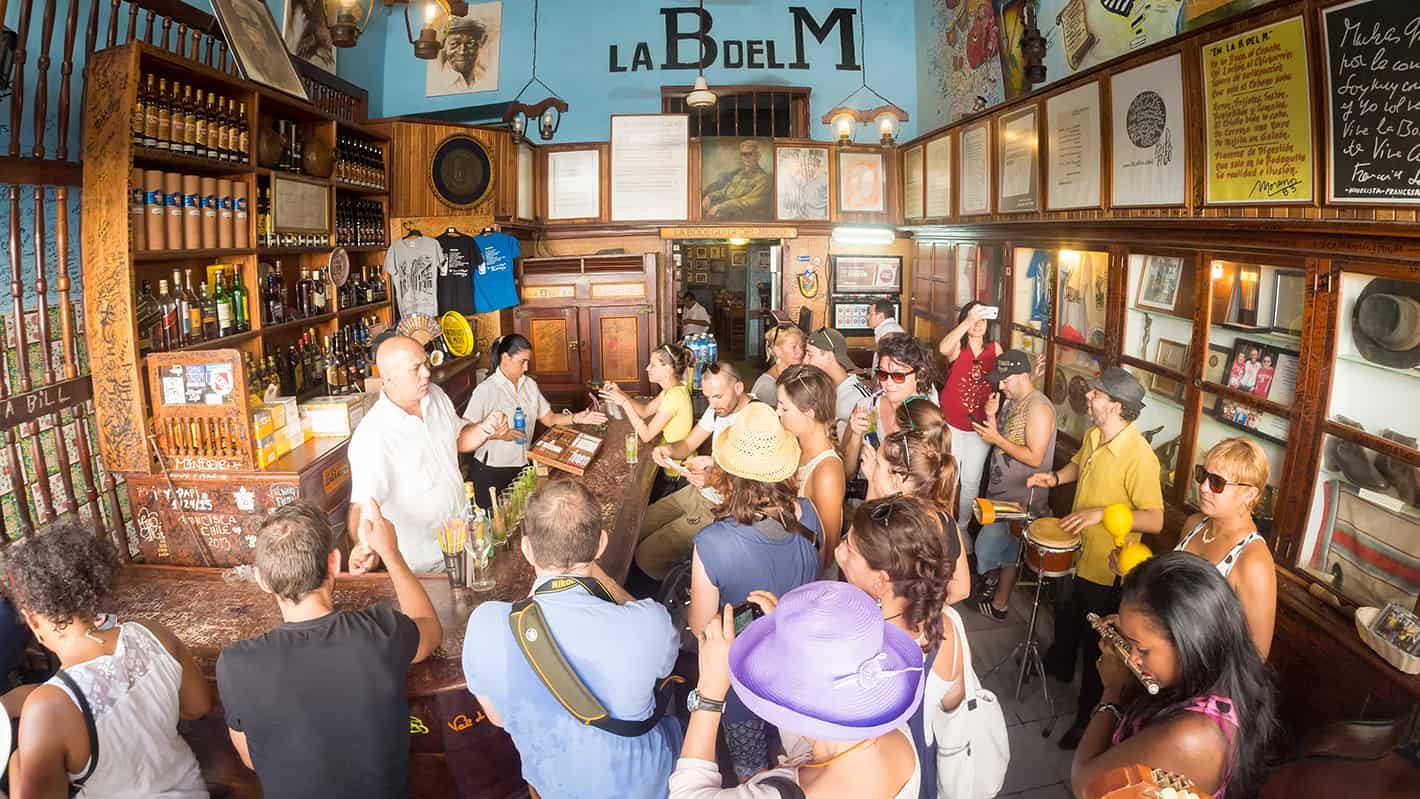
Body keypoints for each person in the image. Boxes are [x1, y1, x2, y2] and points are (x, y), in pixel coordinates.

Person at [464, 480, 682, 799]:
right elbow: (665, 666)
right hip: (647, 787)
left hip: (554, 786)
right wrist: (605, 579)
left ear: (527, 548)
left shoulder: (484, 624)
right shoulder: (650, 622)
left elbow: (498, 718)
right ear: (601, 544)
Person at [216, 502, 442, 799]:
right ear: (334, 562)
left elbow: (254, 759)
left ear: (262, 580)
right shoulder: (378, 633)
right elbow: (429, 627)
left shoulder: (235, 664)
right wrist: (391, 553)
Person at [5, 521, 210, 798]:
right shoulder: (151, 633)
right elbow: (198, 706)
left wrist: (17, 765)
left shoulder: (47, 710)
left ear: (31, 618)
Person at [670, 582, 923, 799]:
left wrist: (709, 693)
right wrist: (795, 643)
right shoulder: (891, 728)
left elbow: (686, 794)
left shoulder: (791, 792)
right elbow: (816, 726)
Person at [1027, 367, 1164, 749]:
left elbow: (1155, 519)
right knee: (1066, 614)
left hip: (1107, 570)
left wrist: (1102, 513)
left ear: (1116, 406)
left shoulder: (1140, 457)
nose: (1088, 396)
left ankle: (1087, 719)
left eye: (1096, 394)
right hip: (1076, 551)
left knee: (1096, 650)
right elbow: (1078, 464)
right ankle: (1057, 665)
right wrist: (1055, 479)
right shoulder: (1093, 435)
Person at [1071, 552, 1281, 799]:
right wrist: (1134, 636)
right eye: (1128, 642)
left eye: (1142, 649)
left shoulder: (1192, 736)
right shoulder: (1212, 674)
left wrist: (1112, 691)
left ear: (1190, 643)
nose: (1132, 658)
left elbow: (1085, 785)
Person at [688, 403, 823, 780]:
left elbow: (701, 628)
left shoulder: (712, 542)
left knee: (751, 769)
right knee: (803, 757)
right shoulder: (809, 514)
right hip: (798, 670)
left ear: (728, 473)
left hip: (742, 683)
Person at [836, 495, 966, 799]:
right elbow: (952, 705)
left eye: (849, 549)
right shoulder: (947, 627)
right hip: (922, 774)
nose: (839, 551)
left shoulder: (854, 643)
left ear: (881, 580)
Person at [348, 335, 509, 573]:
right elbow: (364, 505)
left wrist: (486, 428)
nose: (426, 373)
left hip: (463, 542)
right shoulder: (373, 435)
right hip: (424, 565)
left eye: (425, 363)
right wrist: (363, 545)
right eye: (415, 368)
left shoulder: (436, 396)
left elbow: (457, 439)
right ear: (388, 376)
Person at [463, 334, 607, 511]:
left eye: (528, 362)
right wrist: (499, 435)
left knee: (522, 516)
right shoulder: (486, 390)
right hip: (491, 472)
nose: (526, 367)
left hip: (523, 467)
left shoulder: (529, 385)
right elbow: (465, 431)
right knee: (494, 521)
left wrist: (576, 417)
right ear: (506, 358)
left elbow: (549, 418)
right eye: (522, 362)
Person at [639, 362, 754, 580]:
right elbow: (688, 444)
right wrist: (668, 449)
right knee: (638, 527)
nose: (712, 404)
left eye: (717, 396)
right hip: (698, 491)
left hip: (722, 506)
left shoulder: (755, 418)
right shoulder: (718, 409)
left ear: (738, 388)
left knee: (646, 557)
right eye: (708, 397)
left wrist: (715, 477)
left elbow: (754, 480)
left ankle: (690, 582)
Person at [973, 350, 1057, 622]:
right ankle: (1000, 605)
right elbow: (1000, 438)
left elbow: (1035, 457)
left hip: (1020, 500)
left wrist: (996, 438)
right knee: (1009, 554)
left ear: (1023, 376)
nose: (1000, 386)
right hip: (1001, 493)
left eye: (1005, 380)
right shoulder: (1013, 399)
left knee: (986, 549)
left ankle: (989, 583)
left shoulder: (1039, 408)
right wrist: (992, 416)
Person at [1173, 438, 1277, 657]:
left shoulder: (1253, 560)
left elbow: (1257, 655)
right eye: (1202, 475)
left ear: (1249, 494)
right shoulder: (1194, 524)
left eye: (1217, 483)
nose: (1203, 487)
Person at [865, 397, 971, 606]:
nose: (890, 430)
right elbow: (961, 590)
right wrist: (923, 610)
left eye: (896, 429)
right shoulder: (944, 518)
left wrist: (873, 484)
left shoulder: (888, 525)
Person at [937, 301, 1003, 528]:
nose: (977, 324)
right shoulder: (958, 346)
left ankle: (963, 526)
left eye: (982, 319)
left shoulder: (994, 348)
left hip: (980, 427)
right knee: (950, 477)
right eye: (974, 319)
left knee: (971, 480)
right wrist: (969, 320)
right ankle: (946, 523)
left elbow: (1007, 378)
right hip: (952, 423)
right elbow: (943, 348)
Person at [776, 364, 847, 573]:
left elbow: (829, 547)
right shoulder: (794, 445)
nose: (777, 413)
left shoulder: (827, 472)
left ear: (809, 413)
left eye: (784, 408)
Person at [845, 333, 939, 482]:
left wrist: (878, 475)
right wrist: (856, 436)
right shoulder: (866, 407)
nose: (888, 383)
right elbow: (847, 473)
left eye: (898, 376)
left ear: (920, 374)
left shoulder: (926, 417)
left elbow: (929, 481)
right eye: (882, 374)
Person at [601, 343, 695, 446]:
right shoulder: (672, 390)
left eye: (653, 365)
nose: (647, 368)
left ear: (668, 370)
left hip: (675, 454)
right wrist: (620, 393)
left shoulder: (674, 396)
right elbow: (644, 411)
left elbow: (646, 436)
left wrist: (624, 403)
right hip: (669, 448)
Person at [804, 326, 872, 444]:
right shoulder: (822, 389)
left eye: (810, 355)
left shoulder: (860, 398)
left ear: (829, 355)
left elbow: (871, 442)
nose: (805, 361)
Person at [701, 139, 773, 220]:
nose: (746, 158)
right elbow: (725, 191)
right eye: (743, 154)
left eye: (750, 154)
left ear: (758, 156)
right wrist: (710, 196)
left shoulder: (763, 179)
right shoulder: (739, 175)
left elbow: (747, 202)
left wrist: (720, 207)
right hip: (726, 211)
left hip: (743, 217)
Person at [428, 14, 492, 93]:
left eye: (470, 43)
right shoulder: (438, 81)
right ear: (444, 45)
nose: (462, 52)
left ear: (479, 45)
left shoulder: (486, 76)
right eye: (454, 44)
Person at [751, 324, 805, 405]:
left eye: (802, 346)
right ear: (777, 351)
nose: (800, 352)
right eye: (793, 347)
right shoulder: (767, 387)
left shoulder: (792, 375)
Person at [868, 299, 906, 369]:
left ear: (881, 316)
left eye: (871, 314)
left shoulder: (888, 329)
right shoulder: (888, 328)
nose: (867, 317)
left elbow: (888, 366)